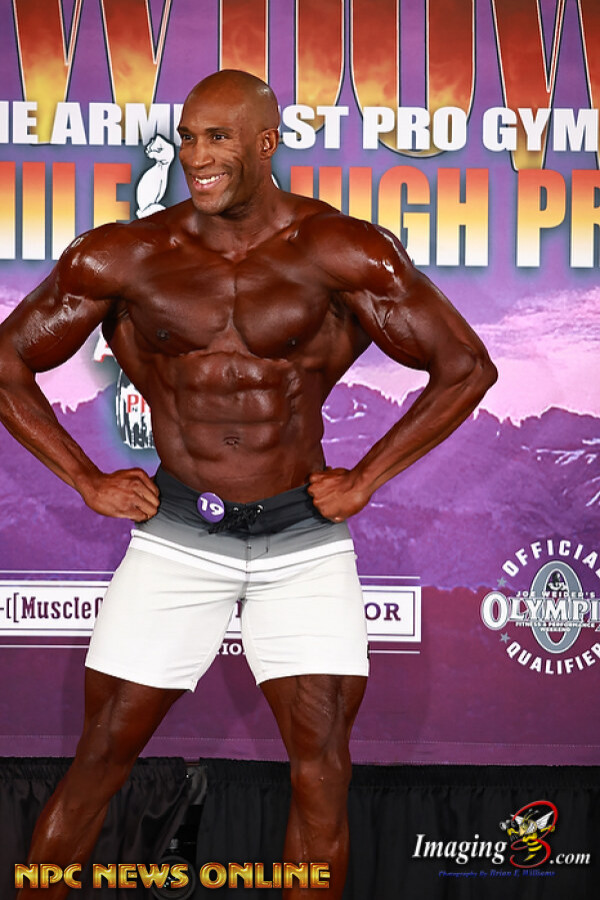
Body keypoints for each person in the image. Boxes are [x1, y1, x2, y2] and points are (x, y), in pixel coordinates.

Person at [0, 70, 496, 899]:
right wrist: (84, 478)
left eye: (218, 138)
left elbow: (466, 367)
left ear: (267, 144)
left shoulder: (339, 249)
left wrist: (367, 477)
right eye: (188, 138)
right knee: (101, 756)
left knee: (322, 768)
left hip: (303, 544)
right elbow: (8, 361)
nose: (197, 155)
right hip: (178, 538)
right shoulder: (125, 255)